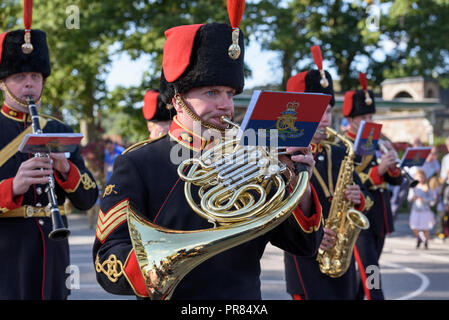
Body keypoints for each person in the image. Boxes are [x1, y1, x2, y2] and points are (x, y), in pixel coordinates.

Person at [93, 6, 323, 300]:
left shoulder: (255, 154)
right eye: (212, 93)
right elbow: (107, 262)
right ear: (178, 99)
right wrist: (159, 267)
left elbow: (304, 246)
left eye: (230, 94)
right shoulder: (138, 163)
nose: (226, 105)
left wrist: (298, 183)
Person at [0, 2, 98, 299]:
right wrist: (13, 187)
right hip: (6, 257)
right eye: (19, 77)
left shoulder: (61, 130)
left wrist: (66, 170)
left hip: (53, 256)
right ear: (3, 83)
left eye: (35, 77)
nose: (29, 85)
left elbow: (88, 197)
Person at [283, 46, 372, 300]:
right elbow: (278, 213)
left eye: (329, 111)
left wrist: (359, 197)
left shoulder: (340, 151)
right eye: (317, 111)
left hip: (340, 255)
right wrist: (316, 233)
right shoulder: (283, 155)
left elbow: (367, 195)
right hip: (305, 258)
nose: (325, 119)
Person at [342, 73, 404, 300]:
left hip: (379, 214)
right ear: (351, 120)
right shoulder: (343, 144)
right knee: (371, 271)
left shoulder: (379, 142)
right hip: (359, 214)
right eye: (363, 117)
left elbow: (396, 181)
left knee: (370, 267)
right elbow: (348, 179)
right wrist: (379, 171)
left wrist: (393, 165)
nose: (369, 121)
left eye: (371, 115)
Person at [408, 169, 436, 249]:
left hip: (425, 210)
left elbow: (432, 199)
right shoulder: (413, 187)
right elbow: (409, 198)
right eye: (418, 177)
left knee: (425, 228)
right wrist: (412, 198)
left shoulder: (427, 187)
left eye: (421, 177)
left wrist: (424, 199)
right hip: (416, 209)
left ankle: (426, 242)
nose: (420, 179)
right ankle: (419, 238)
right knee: (414, 226)